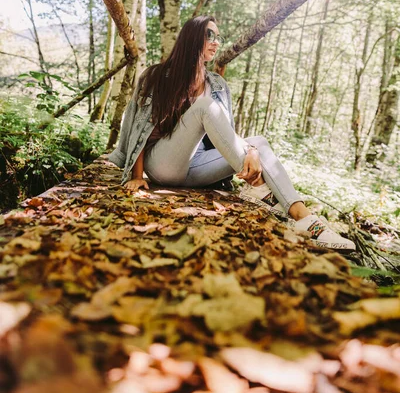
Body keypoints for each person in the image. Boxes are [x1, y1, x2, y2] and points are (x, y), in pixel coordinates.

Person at [109, 16, 355, 251]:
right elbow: (138, 126)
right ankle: (267, 193)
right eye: (209, 35)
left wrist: (250, 150)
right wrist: (137, 174)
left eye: (219, 37)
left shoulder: (216, 83)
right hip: (162, 164)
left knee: (258, 142)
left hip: (196, 166)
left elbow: (224, 133)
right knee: (206, 108)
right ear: (192, 37)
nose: (216, 42)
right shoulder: (156, 75)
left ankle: (304, 219)